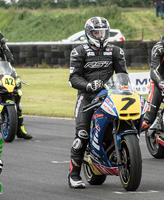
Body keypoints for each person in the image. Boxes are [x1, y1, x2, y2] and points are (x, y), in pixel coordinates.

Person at [68, 17, 127, 189]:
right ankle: (74, 175)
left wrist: (123, 87)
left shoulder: (116, 51)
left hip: (110, 96)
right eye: (96, 32)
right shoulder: (79, 51)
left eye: (103, 32)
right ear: (89, 34)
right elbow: (73, 79)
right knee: (82, 136)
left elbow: (123, 75)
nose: (100, 36)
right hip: (87, 97)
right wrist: (88, 85)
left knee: (123, 123)